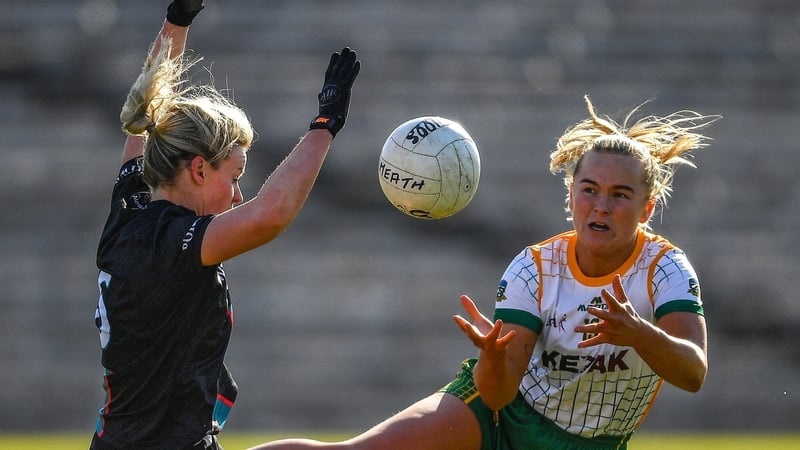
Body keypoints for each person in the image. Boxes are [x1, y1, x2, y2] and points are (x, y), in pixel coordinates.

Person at [248, 96, 717, 450]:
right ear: (570, 196)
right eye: (589, 189)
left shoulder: (664, 268)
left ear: (646, 208)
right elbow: (496, 395)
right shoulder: (535, 269)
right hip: (498, 415)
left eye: (620, 195)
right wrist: (493, 358)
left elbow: (693, 372)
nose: (601, 205)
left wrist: (639, 333)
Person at [89, 1, 360, 448]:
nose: (237, 194)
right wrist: (325, 125)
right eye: (233, 178)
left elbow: (144, 111)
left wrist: (177, 20)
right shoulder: (172, 242)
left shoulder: (131, 208)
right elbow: (269, 214)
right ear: (198, 170)